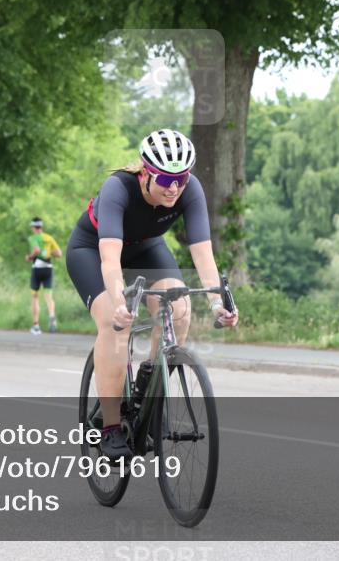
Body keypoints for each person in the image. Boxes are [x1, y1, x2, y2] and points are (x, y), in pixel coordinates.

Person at [67, 129, 240, 460]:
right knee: (115, 323)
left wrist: (217, 303)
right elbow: (110, 260)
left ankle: (150, 386)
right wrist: (119, 303)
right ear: (146, 173)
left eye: (181, 178)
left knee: (180, 309)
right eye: (164, 179)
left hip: (147, 248)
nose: (174, 187)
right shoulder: (118, 189)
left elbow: (203, 254)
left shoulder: (190, 191)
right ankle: (111, 428)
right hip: (93, 251)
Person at [26, 217, 62, 334]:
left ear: (33, 227)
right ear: (41, 227)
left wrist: (29, 257)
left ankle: (36, 326)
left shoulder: (32, 238)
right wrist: (47, 252)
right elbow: (59, 253)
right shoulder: (49, 238)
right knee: (48, 296)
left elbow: (36, 250)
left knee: (34, 296)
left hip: (37, 269)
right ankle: (52, 316)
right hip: (48, 269)